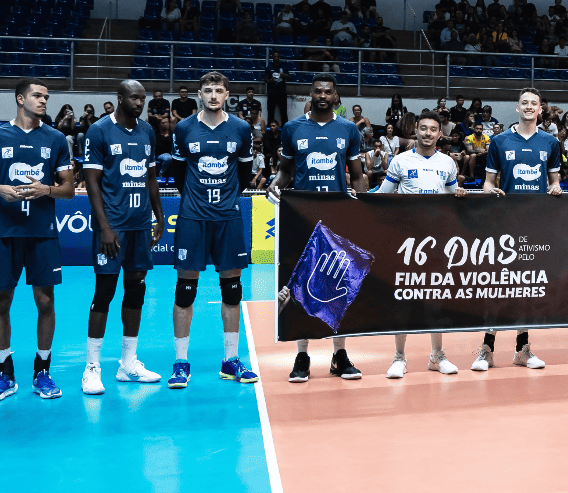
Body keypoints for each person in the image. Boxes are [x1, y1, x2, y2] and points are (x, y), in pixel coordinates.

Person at [0, 78, 74, 402]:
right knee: (1, 302)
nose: (44, 100)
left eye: (46, 96)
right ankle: (5, 373)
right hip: (3, 232)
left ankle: (42, 370)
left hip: (42, 232)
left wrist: (46, 189)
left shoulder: (56, 139)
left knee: (46, 302)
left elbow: (69, 189)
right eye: (37, 95)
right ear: (20, 98)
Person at [268, 75, 367, 383]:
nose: (323, 95)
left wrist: (364, 209)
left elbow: (359, 175)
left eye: (328, 91)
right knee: (300, 284)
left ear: (336, 95)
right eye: (317, 91)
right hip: (303, 217)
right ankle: (302, 356)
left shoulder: (348, 130)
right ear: (309, 95)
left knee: (340, 284)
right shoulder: (292, 128)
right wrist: (275, 186)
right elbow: (285, 172)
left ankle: (339, 355)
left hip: (337, 217)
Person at [165, 72, 258, 389]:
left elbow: (244, 173)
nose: (214, 95)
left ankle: (231, 361)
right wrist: (195, 200)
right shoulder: (184, 128)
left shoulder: (241, 129)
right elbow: (179, 174)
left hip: (228, 217)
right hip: (192, 216)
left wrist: (228, 199)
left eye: (219, 90)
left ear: (227, 94)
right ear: (199, 95)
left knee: (232, 289)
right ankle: (181, 362)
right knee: (185, 289)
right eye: (208, 90)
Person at [80, 81, 166, 394]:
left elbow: (151, 177)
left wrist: (159, 216)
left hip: (140, 225)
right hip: (113, 227)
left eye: (143, 97)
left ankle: (128, 363)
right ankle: (91, 368)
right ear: (120, 98)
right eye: (134, 96)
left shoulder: (147, 131)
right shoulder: (99, 131)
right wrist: (104, 227)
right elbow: (91, 182)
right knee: (104, 290)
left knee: (135, 290)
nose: (139, 101)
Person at [472, 88, 562, 372]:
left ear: (540, 109)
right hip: (504, 223)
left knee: (526, 287)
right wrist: (490, 190)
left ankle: (522, 349)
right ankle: (487, 348)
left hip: (535, 224)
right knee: (499, 286)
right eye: (524, 102)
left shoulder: (550, 142)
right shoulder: (499, 141)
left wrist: (556, 187)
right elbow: (487, 182)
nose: (529, 107)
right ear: (517, 108)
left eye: (534, 103)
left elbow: (554, 181)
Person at [379, 111, 467, 378]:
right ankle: (399, 357)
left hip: (438, 243)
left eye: (433, 130)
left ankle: (437, 356)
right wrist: (356, 200)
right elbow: (383, 196)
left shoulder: (448, 163)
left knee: (436, 299)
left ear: (440, 134)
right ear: (416, 131)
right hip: (407, 243)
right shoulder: (400, 161)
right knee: (404, 299)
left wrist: (461, 193)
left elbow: (453, 194)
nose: (428, 133)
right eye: (423, 128)